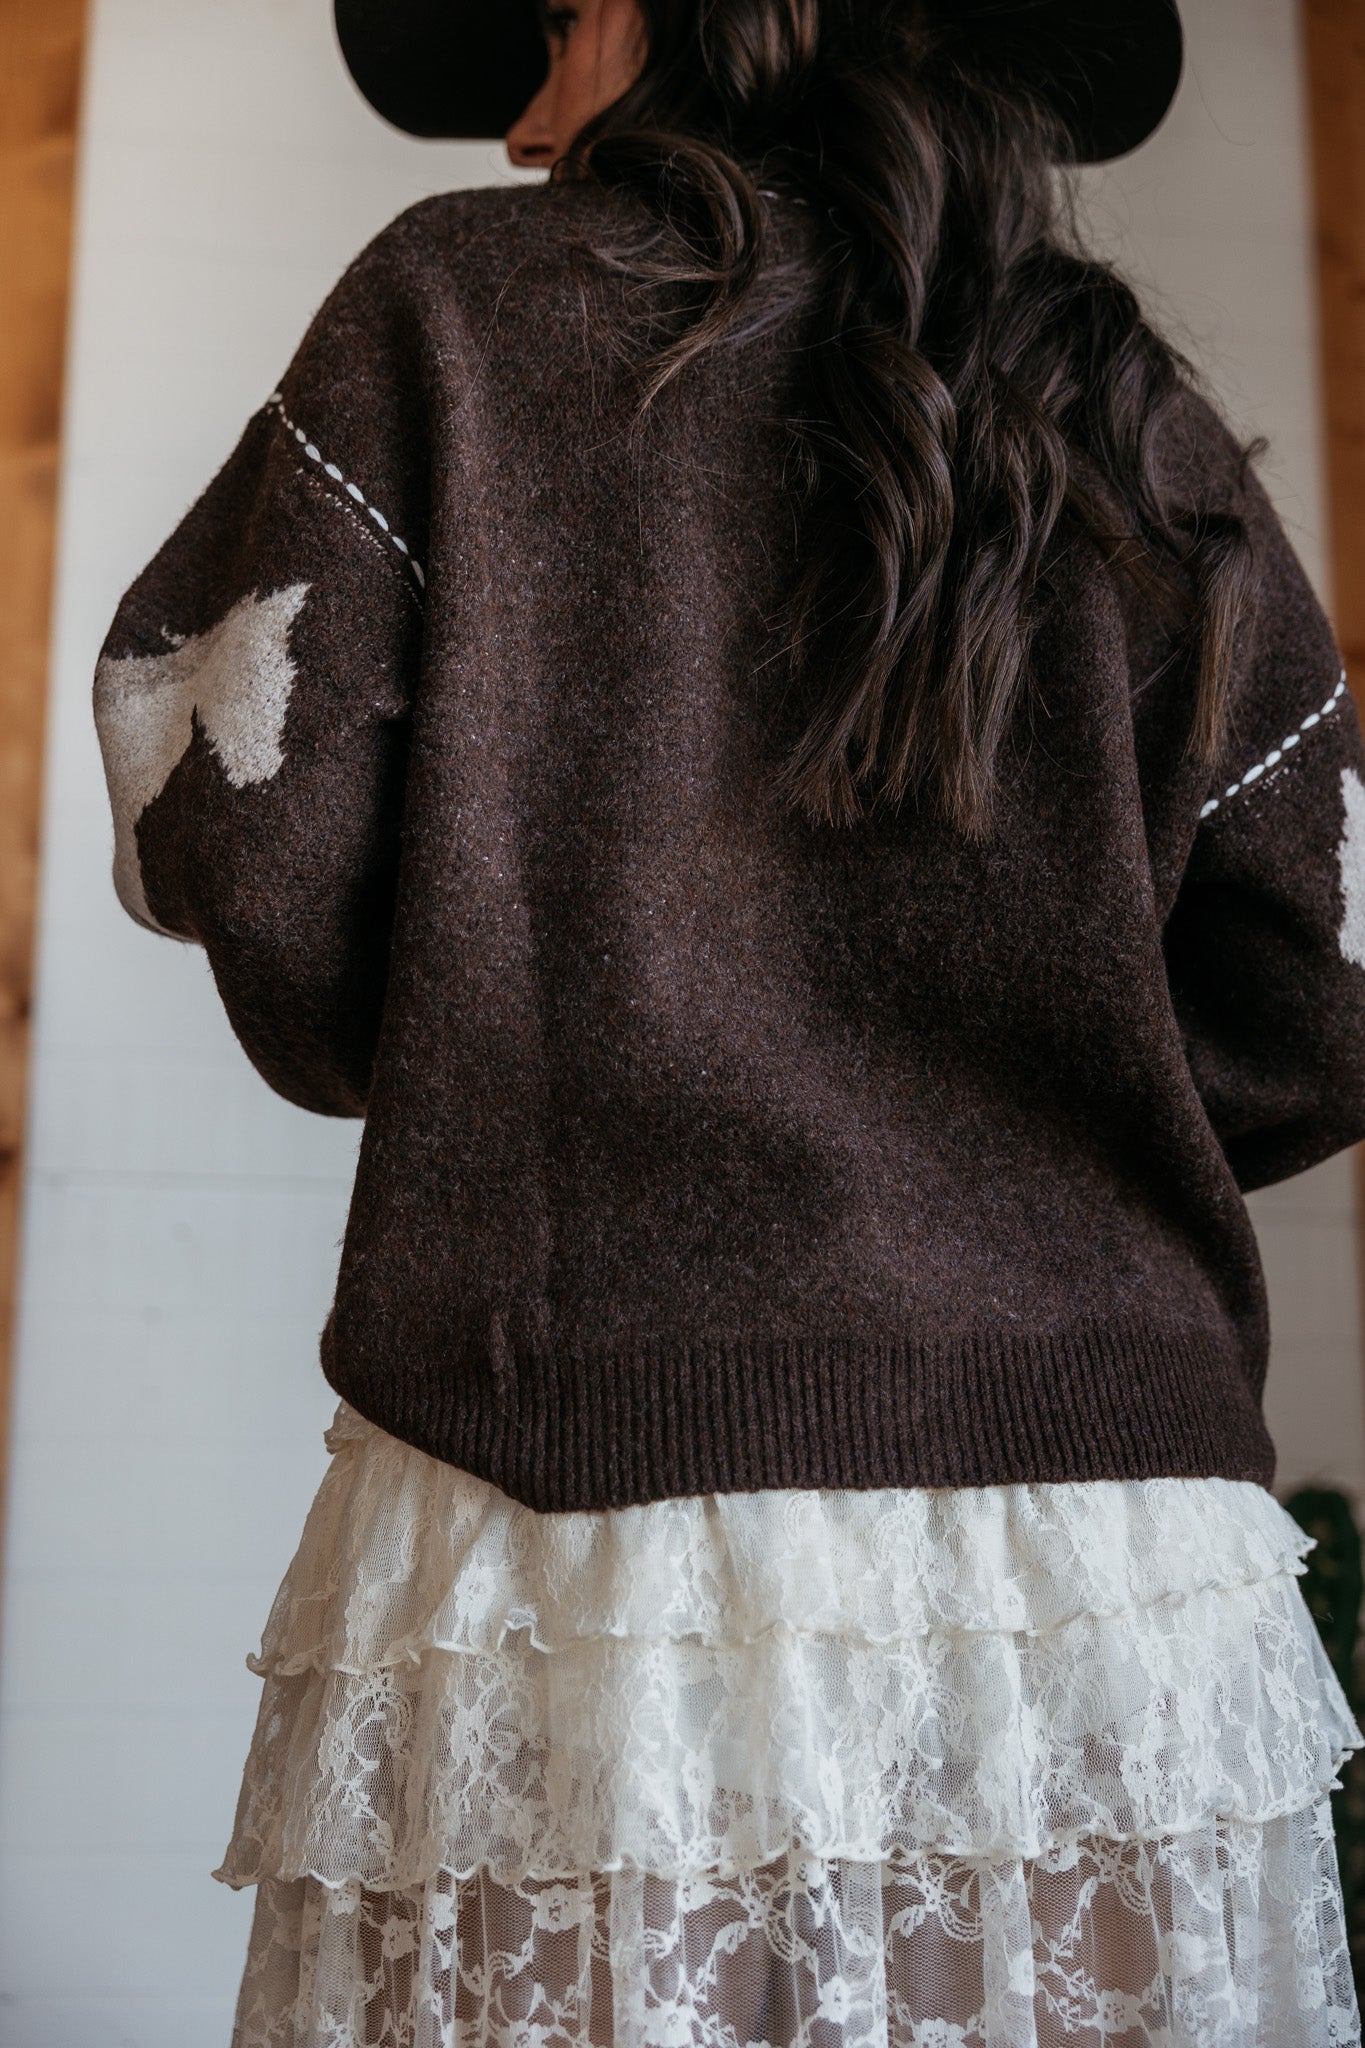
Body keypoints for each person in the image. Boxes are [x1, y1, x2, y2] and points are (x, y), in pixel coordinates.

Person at [92, 0, 1365, 2039]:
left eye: (532, 28)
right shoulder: (1108, 390)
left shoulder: (451, 310)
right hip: (1101, 1599)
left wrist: (480, 1025)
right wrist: (1019, 1139)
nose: (515, 120)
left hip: (584, 1546)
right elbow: (1321, 970)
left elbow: (218, 807)